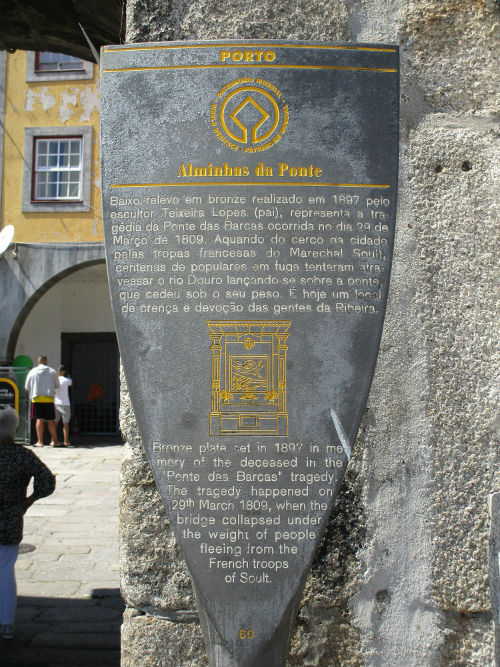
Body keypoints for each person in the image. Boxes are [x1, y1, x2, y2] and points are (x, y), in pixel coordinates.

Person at [0, 405, 55, 640]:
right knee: (5, 572)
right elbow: (47, 482)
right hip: (10, 520)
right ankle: (6, 624)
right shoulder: (23, 456)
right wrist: (29, 500)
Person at [24, 356, 60, 447]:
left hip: (37, 399)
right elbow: (57, 385)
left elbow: (26, 387)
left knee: (39, 419)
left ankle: (40, 441)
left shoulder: (32, 371)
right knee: (51, 420)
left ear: (38, 362)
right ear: (46, 361)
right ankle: (55, 441)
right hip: (49, 399)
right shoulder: (52, 371)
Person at [54, 365, 72, 448]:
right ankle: (66, 441)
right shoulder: (67, 380)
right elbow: (71, 384)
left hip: (56, 403)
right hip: (65, 404)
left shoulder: (55, 381)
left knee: (55, 423)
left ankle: (53, 440)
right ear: (64, 372)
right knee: (65, 424)